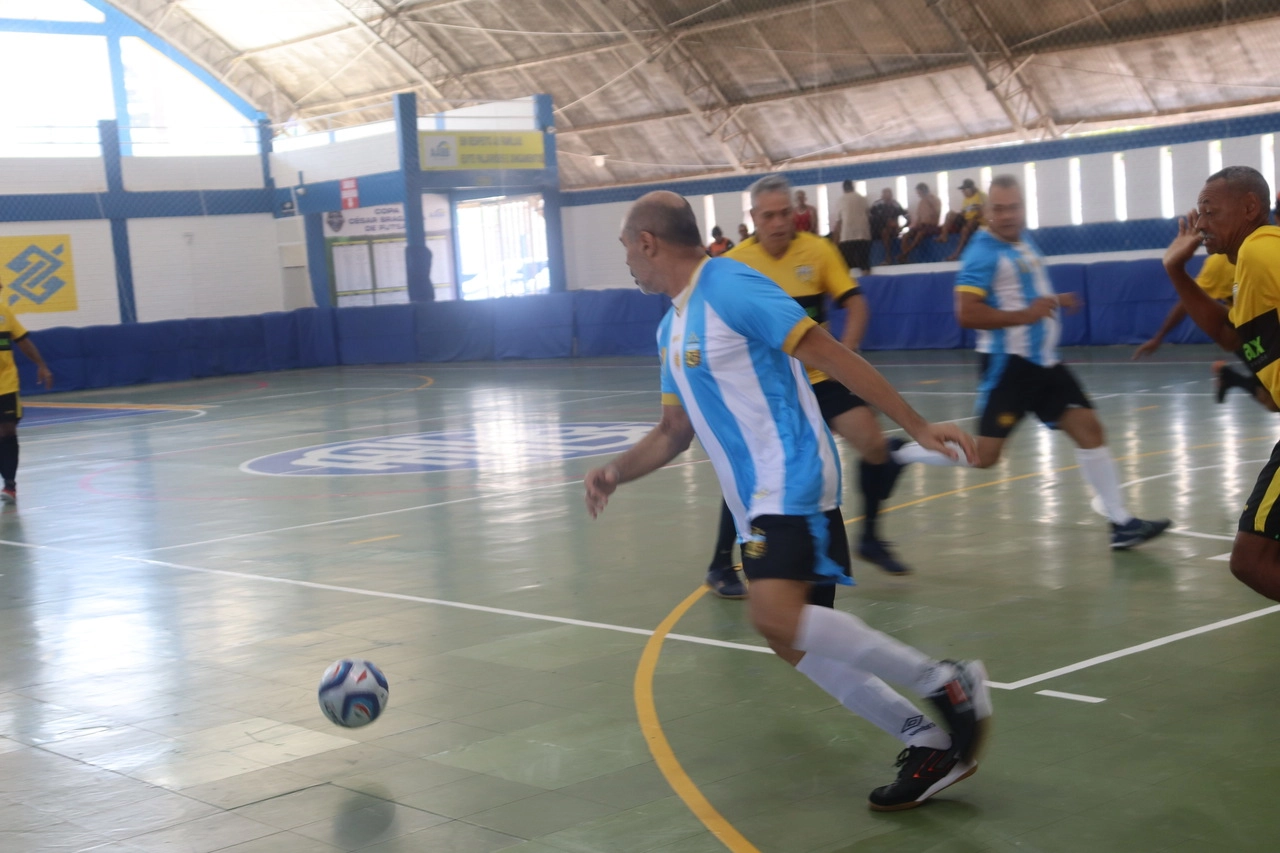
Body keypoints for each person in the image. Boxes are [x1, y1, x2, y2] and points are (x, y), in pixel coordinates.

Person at [586, 189, 991, 810]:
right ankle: (931, 741)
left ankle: (946, 682)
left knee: (772, 616)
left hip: (793, 475)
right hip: (755, 501)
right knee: (791, 638)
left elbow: (831, 354)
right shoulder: (670, 325)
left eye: (626, 250)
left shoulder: (731, 286)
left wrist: (914, 426)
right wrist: (616, 471)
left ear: (649, 242)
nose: (627, 263)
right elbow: (673, 431)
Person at [704, 173, 909, 592]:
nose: (779, 223)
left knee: (874, 447)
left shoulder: (818, 251)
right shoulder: (734, 264)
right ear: (754, 218)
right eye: (769, 216)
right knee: (758, 473)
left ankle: (870, 536)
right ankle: (721, 564)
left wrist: (844, 357)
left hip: (819, 376)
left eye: (785, 213)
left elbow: (855, 303)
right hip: (772, 390)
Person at [951, 175, 1170, 549]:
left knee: (1089, 429)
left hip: (1045, 364)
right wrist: (1027, 314)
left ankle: (1122, 524)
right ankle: (902, 455)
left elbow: (1026, 291)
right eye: (999, 209)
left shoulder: (1023, 240)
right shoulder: (981, 252)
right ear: (986, 212)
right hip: (1011, 367)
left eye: (1014, 207)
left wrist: (1054, 299)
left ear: (1023, 207)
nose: (1007, 216)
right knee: (985, 455)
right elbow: (966, 313)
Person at [1163, 166, 1280, 602]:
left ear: (1250, 208)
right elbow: (1234, 336)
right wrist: (1176, 271)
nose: (1200, 224)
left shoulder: (1261, 252)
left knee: (1252, 561)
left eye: (1209, 212)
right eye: (1198, 214)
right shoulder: (1246, 262)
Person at [1134, 253, 1277, 410]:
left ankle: (1230, 377)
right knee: (1273, 402)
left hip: (1271, 329)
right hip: (1248, 337)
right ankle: (1231, 377)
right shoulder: (1218, 264)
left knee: (1273, 401)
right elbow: (1188, 301)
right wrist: (1159, 337)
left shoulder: (1266, 247)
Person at [0, 304, 54, 503]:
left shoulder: (4, 313)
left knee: (7, 430)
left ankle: (10, 485)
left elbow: (23, 341)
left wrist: (41, 365)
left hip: (5, 384)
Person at [940, 179, 986, 262]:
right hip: (966, 219)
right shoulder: (966, 200)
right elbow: (964, 212)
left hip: (977, 221)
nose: (963, 192)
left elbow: (984, 211)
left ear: (970, 189)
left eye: (964, 190)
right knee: (950, 214)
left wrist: (974, 218)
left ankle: (956, 254)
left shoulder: (981, 196)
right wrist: (958, 215)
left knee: (966, 228)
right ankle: (944, 236)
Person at [896, 183, 943, 263]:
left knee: (921, 233)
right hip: (921, 225)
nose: (918, 194)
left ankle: (905, 253)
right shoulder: (921, 202)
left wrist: (930, 203)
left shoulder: (934, 199)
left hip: (932, 225)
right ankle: (905, 257)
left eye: (919, 192)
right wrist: (911, 227)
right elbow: (918, 218)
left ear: (923, 191)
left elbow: (937, 213)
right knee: (906, 235)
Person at [834, 180, 872, 275]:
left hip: (847, 235)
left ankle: (848, 286)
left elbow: (839, 221)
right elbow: (868, 214)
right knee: (864, 263)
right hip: (863, 234)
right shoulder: (862, 199)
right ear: (853, 187)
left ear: (843, 189)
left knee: (845, 264)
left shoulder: (841, 200)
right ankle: (867, 284)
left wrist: (836, 239)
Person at [869, 188, 907, 265]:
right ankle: (888, 257)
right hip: (877, 230)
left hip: (892, 230)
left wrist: (901, 227)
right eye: (885, 195)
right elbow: (871, 218)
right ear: (882, 196)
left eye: (889, 195)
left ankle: (897, 257)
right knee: (885, 230)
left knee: (888, 230)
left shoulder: (896, 204)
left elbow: (907, 217)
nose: (887, 198)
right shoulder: (877, 204)